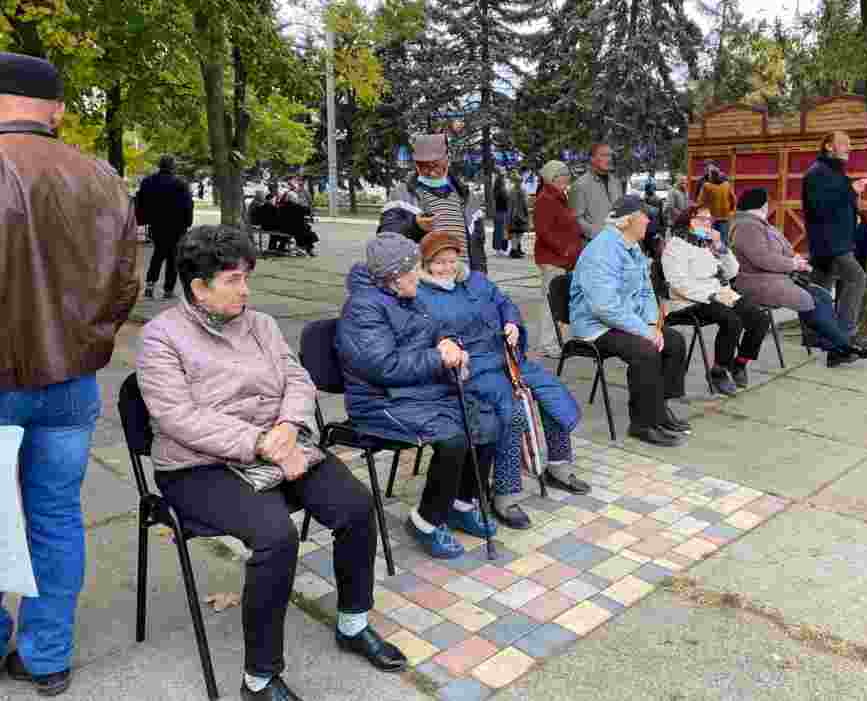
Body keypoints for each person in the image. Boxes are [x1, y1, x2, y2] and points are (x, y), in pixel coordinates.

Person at [137, 226, 408, 701]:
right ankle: (259, 679)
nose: (246, 290)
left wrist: (288, 425)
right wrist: (262, 442)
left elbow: (297, 379)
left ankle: (352, 623)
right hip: (198, 465)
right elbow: (178, 418)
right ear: (199, 287)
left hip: (279, 442)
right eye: (233, 280)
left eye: (247, 277)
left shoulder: (259, 324)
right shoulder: (161, 337)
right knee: (275, 537)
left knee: (356, 507)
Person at [0, 52, 139, 696]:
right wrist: (87, 342)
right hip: (70, 382)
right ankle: (47, 654)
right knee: (55, 516)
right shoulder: (102, 176)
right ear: (55, 110)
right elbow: (124, 284)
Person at [336, 232, 500, 559]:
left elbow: (436, 330)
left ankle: (460, 504)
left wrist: (449, 343)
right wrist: (438, 357)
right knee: (453, 437)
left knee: (485, 421)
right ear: (394, 276)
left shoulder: (408, 295)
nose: (418, 273)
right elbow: (384, 366)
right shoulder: (363, 308)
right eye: (413, 269)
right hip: (379, 400)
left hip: (416, 391)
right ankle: (426, 521)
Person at [416, 231, 590, 528]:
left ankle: (558, 464)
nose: (447, 267)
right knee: (512, 412)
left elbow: (504, 302)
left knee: (551, 391)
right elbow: (430, 339)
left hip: (506, 358)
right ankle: (505, 494)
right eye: (439, 262)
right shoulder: (422, 295)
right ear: (426, 264)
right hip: (473, 369)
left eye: (451, 260)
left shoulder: (476, 280)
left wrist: (511, 322)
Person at [570, 195, 691, 447]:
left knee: (674, 342)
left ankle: (659, 409)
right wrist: (644, 331)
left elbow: (646, 292)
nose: (648, 220)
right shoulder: (602, 251)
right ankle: (642, 424)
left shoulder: (632, 246)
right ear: (626, 221)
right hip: (596, 326)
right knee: (645, 351)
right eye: (644, 216)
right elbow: (604, 308)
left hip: (624, 321)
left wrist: (651, 325)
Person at [731, 188, 867, 369]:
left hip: (777, 278)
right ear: (761, 205)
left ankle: (836, 348)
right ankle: (844, 346)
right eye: (767, 203)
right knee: (809, 300)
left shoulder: (761, 225)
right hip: (758, 282)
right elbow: (762, 259)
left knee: (822, 296)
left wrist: (797, 261)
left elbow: (786, 249)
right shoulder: (747, 226)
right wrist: (792, 264)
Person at [660, 208, 769, 396]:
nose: (708, 223)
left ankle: (739, 363)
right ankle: (718, 371)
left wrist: (720, 247)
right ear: (689, 222)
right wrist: (709, 296)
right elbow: (678, 283)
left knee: (759, 318)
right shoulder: (674, 247)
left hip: (718, 293)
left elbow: (732, 272)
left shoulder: (706, 244)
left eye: (709, 220)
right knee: (732, 320)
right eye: (702, 219)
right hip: (688, 300)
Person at [379, 134, 488, 273]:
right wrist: (415, 226)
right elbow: (385, 241)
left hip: (464, 280)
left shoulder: (467, 198)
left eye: (436, 165)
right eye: (423, 166)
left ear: (447, 159)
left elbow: (478, 249)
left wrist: (480, 278)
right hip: (424, 281)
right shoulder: (401, 195)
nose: (431, 172)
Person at [801, 131, 867, 343]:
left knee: (818, 289)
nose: (849, 148)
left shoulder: (834, 172)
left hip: (836, 242)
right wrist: (851, 190)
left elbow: (839, 200)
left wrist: (855, 213)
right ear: (829, 146)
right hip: (830, 243)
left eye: (850, 144)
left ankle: (814, 335)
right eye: (844, 144)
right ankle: (844, 335)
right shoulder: (817, 173)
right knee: (857, 278)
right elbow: (820, 206)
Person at [533, 160, 585, 357]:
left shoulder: (559, 197)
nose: (567, 178)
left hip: (562, 259)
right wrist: (564, 250)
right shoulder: (546, 199)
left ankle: (554, 341)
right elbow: (544, 232)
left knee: (557, 301)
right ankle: (547, 344)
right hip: (553, 259)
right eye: (563, 175)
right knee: (550, 303)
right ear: (553, 178)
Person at [136, 154, 194, 299]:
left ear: (160, 165)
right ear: (172, 166)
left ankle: (150, 285)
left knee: (158, 254)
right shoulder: (180, 183)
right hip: (177, 226)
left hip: (157, 224)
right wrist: (188, 222)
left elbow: (140, 202)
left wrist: (143, 219)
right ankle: (168, 289)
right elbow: (188, 205)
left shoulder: (148, 182)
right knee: (173, 257)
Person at [569, 142, 624, 245]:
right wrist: (597, 234)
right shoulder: (580, 185)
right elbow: (575, 219)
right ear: (592, 159)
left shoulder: (616, 182)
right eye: (604, 155)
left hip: (617, 242)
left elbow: (621, 211)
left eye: (610, 155)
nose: (609, 159)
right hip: (594, 245)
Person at [277, 176, 318, 256]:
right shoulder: (295, 207)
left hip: (286, 226)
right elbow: (306, 211)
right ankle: (307, 249)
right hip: (289, 227)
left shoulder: (284, 206)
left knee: (304, 229)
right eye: (296, 199)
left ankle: (306, 248)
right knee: (305, 230)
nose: (297, 200)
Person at [694, 163, 736, 241]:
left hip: (711, 218)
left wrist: (695, 209)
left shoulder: (706, 186)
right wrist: (731, 211)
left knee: (710, 241)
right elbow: (733, 199)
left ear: (711, 176)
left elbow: (700, 202)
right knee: (723, 240)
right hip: (725, 218)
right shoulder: (727, 185)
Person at [507, 174, 530, 259]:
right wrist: (527, 214)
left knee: (515, 233)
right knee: (518, 233)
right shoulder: (522, 191)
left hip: (513, 215)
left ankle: (515, 249)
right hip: (520, 215)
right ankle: (514, 250)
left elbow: (509, 204)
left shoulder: (511, 191)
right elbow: (525, 204)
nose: (519, 183)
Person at [493, 171, 509, 255]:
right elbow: (507, 201)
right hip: (503, 212)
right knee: (503, 232)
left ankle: (498, 249)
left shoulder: (496, 191)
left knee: (498, 231)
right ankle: (502, 249)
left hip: (497, 212)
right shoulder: (503, 191)